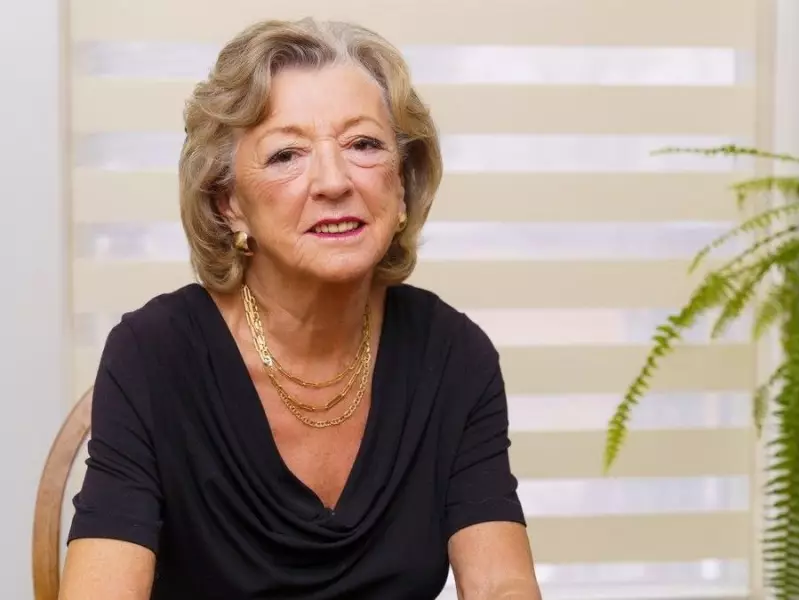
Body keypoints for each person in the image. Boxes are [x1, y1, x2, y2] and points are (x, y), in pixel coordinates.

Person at [60, 16, 542, 600]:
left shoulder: (453, 355)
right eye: (286, 154)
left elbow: (501, 583)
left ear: (401, 184)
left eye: (364, 145)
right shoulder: (153, 355)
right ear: (228, 202)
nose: (333, 181)